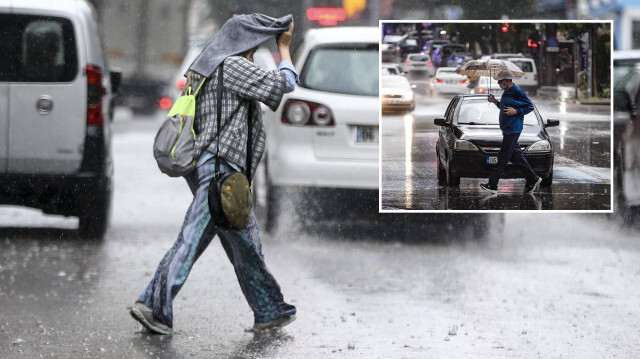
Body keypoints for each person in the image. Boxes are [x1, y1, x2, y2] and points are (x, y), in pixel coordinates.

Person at [130, 14, 298, 335]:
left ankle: (269, 309)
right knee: (190, 240)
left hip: (211, 169)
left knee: (245, 245)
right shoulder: (232, 66)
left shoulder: (202, 66)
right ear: (245, 42)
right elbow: (285, 83)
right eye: (255, 42)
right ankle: (153, 306)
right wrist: (285, 48)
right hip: (221, 169)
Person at [480, 70, 542, 194]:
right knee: (517, 157)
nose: (498, 84)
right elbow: (504, 107)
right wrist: (495, 101)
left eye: (500, 81)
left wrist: (516, 111)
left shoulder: (517, 91)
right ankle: (533, 179)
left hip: (513, 129)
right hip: (508, 128)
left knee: (503, 157)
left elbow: (530, 106)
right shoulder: (507, 92)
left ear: (507, 80)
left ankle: (492, 184)